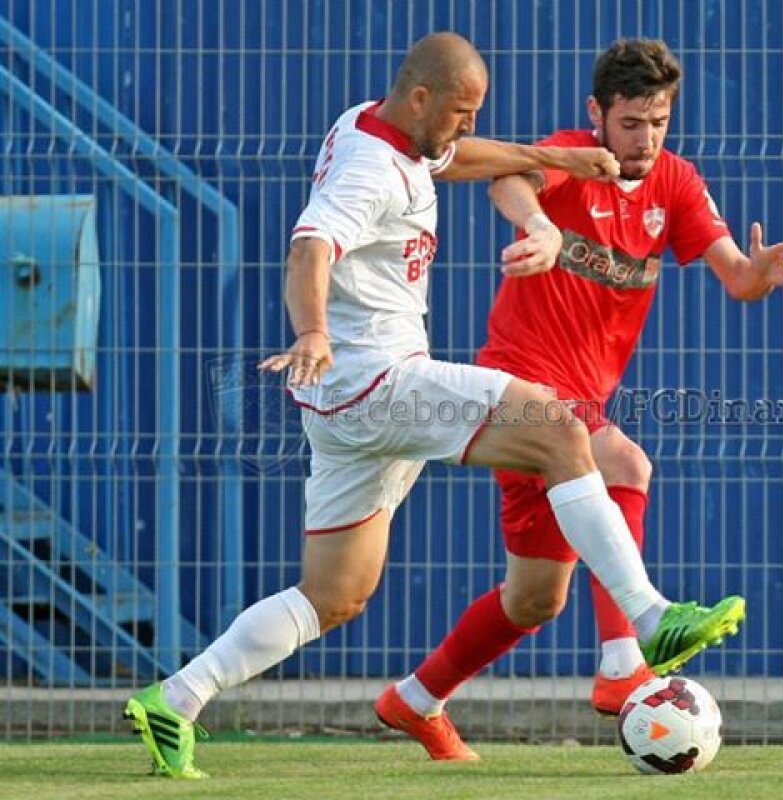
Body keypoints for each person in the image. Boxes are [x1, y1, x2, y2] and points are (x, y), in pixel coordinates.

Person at [123, 32, 747, 779]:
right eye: (460, 111)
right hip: (377, 379)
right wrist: (313, 330)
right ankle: (647, 622)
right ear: (420, 99)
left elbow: (466, 160)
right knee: (558, 432)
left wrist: (551, 158)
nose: (466, 126)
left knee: (334, 594)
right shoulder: (368, 169)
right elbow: (309, 249)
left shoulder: (386, 126)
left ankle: (177, 697)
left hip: (345, 409)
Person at [383, 37, 783, 757]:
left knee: (535, 599)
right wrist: (539, 224)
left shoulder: (675, 183)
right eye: (631, 122)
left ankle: (415, 699)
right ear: (597, 115)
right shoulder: (573, 154)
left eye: (659, 121)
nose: (645, 138)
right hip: (524, 384)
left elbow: (733, 275)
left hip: (583, 398)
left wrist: (757, 275)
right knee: (626, 465)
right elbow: (509, 180)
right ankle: (621, 665)